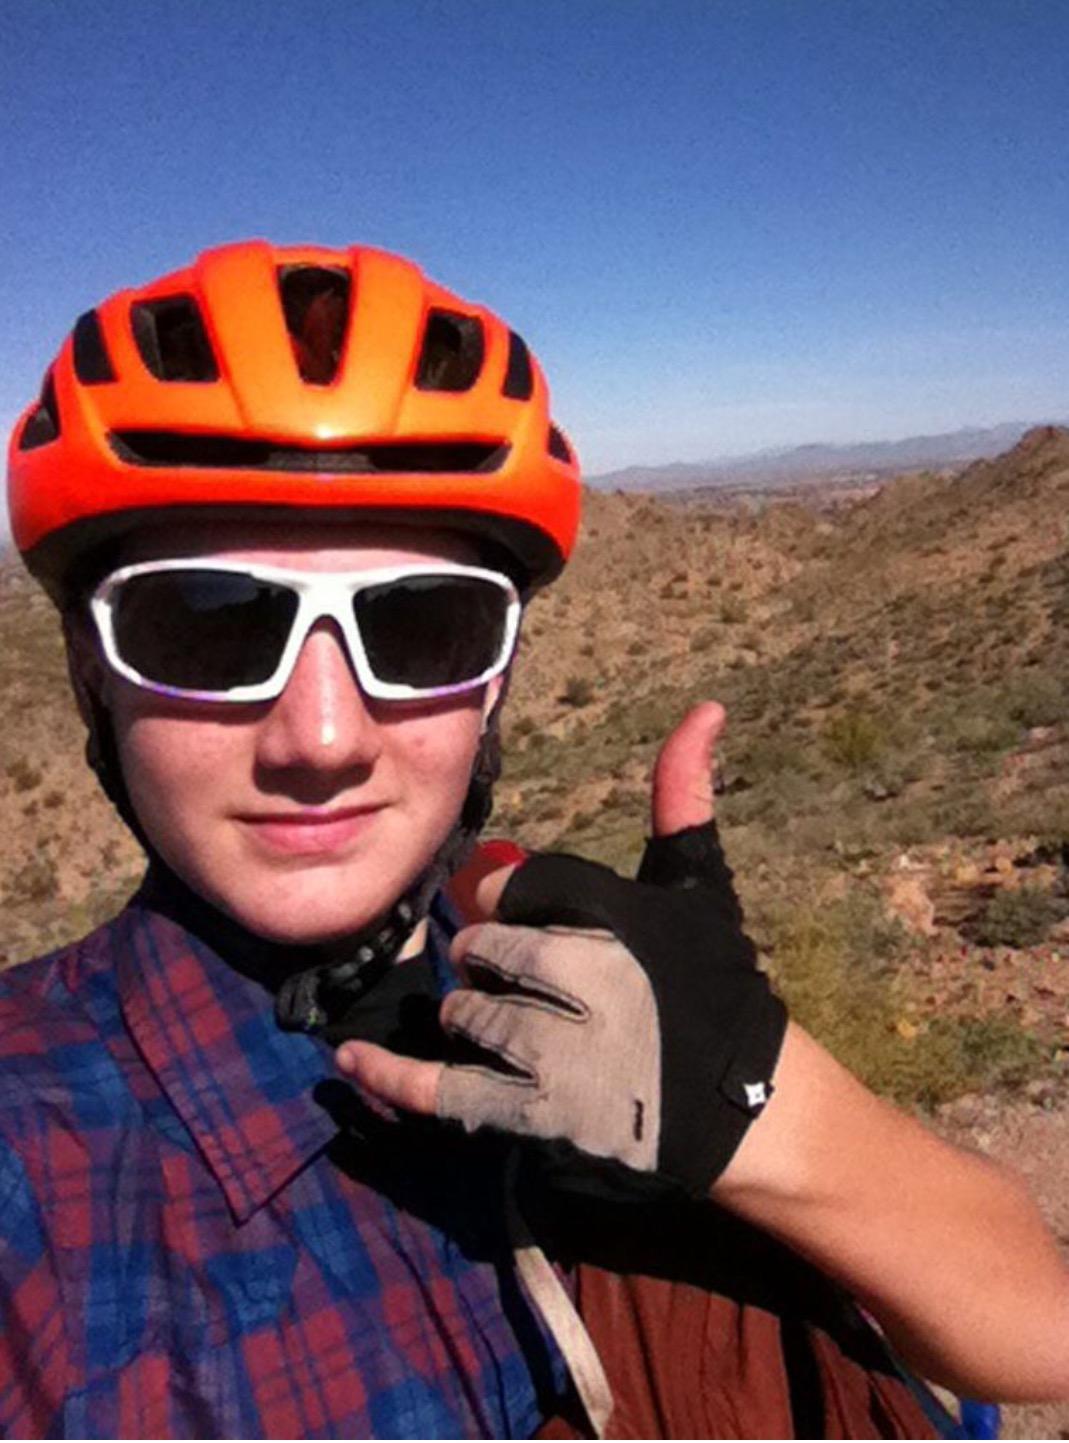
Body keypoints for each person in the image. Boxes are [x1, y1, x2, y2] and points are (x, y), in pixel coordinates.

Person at [1, 239, 1065, 1439]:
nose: (321, 736)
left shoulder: (602, 986)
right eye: (207, 625)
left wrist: (747, 1085)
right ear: (93, 675)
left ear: (497, 682)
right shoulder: (31, 1146)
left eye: (423, 627)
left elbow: (1039, 1336)